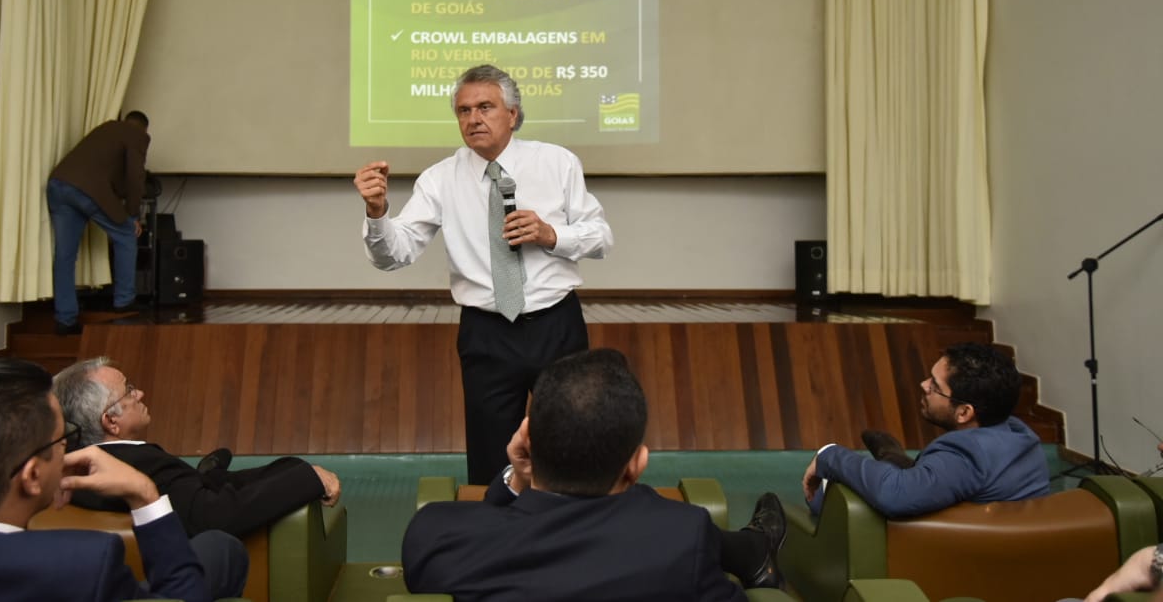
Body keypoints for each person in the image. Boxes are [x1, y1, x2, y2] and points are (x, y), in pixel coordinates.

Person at [354, 64, 612, 484]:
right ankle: (496, 541)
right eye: (463, 110)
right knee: (491, 463)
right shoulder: (440, 179)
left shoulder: (557, 163)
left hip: (556, 324)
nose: (473, 119)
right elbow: (393, 256)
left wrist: (551, 234)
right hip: (486, 334)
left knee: (572, 446)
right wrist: (378, 213)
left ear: (512, 113)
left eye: (485, 107)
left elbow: (600, 237)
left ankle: (570, 537)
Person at [402, 348, 788, 600]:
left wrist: (516, 479)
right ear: (636, 465)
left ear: (527, 443)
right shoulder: (683, 539)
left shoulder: (435, 534)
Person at [0, 358, 245, 602]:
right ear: (32, 476)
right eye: (61, 440)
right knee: (220, 551)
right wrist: (145, 494)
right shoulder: (83, 564)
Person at [54, 356, 341, 538]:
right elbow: (215, 516)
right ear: (111, 421)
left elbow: (193, 492)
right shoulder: (143, 465)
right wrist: (306, 479)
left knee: (218, 474)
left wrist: (293, 468)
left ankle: (212, 470)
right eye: (129, 390)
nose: (140, 393)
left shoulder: (74, 461)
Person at [802, 342, 1050, 518]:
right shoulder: (1021, 436)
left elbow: (895, 494)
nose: (923, 385)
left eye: (934, 386)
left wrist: (830, 455)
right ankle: (892, 458)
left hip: (943, 559)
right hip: (1009, 550)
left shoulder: (966, 455)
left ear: (964, 412)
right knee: (906, 472)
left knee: (834, 497)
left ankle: (892, 460)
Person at [48, 110, 151, 336]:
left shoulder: (105, 128)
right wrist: (133, 216)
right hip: (87, 190)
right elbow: (135, 177)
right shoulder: (137, 135)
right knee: (126, 235)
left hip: (58, 184)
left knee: (65, 256)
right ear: (143, 129)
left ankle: (65, 319)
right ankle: (124, 301)